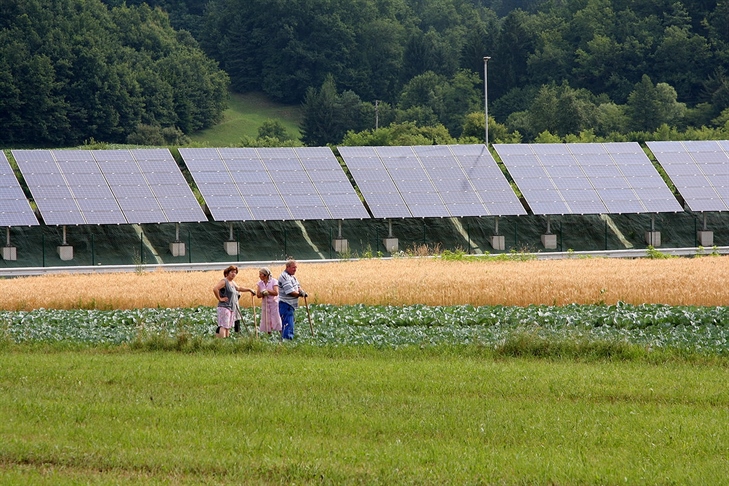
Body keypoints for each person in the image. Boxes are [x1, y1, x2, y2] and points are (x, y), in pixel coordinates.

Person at [212, 265, 253, 338]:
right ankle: (222, 341)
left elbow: (239, 288)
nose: (233, 274)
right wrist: (220, 298)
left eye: (235, 272)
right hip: (224, 307)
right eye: (232, 272)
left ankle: (227, 340)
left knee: (228, 326)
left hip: (231, 307)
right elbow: (215, 289)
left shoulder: (232, 282)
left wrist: (249, 290)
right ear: (227, 273)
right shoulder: (224, 281)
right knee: (223, 325)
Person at [278, 259, 307, 340]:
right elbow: (290, 292)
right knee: (287, 323)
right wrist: (300, 295)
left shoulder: (292, 277)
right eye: (293, 267)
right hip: (285, 304)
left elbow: (297, 286)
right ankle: (287, 340)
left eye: (296, 267)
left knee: (290, 323)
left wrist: (302, 292)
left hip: (290, 305)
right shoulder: (284, 276)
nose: (295, 269)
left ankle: (287, 340)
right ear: (288, 267)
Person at [256, 267, 282, 335]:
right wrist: (262, 293)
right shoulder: (260, 283)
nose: (259, 276)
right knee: (266, 320)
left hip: (274, 304)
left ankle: (281, 334)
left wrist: (268, 291)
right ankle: (268, 335)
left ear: (265, 275)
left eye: (260, 274)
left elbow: (276, 292)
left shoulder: (274, 281)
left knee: (276, 319)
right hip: (265, 304)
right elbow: (258, 295)